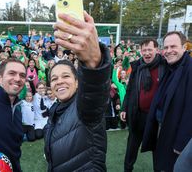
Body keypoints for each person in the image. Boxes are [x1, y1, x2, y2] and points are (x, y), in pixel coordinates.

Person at [44, 12, 111, 171]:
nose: (59, 81)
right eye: (54, 79)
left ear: (77, 81)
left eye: (65, 76)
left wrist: (93, 62)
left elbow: (94, 91)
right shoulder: (55, 110)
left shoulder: (84, 107)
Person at [141, 31, 192, 172]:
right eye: (166, 47)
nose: (169, 51)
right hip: (163, 128)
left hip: (177, 137)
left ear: (184, 47)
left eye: (173, 47)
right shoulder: (171, 67)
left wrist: (181, 143)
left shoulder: (189, 69)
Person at [119, 39, 165, 172]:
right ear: (140, 51)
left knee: (158, 150)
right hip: (138, 115)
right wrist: (124, 107)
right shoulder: (137, 66)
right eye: (144, 50)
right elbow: (130, 89)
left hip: (157, 118)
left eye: (150, 49)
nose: (147, 53)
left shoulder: (165, 65)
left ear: (157, 50)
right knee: (131, 149)